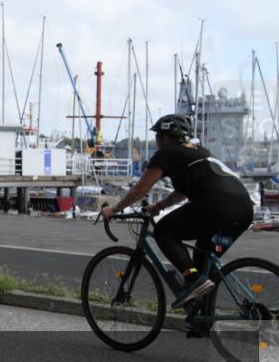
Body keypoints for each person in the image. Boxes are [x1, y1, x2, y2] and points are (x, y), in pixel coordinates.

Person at [101, 114, 254, 309]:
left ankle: (192, 280)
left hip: (216, 206)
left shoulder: (167, 154)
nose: (156, 142)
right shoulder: (199, 151)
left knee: (164, 232)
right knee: (203, 260)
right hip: (244, 209)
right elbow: (182, 191)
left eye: (157, 137)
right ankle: (201, 321)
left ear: (165, 138)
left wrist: (114, 209)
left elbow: (140, 190)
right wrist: (158, 207)